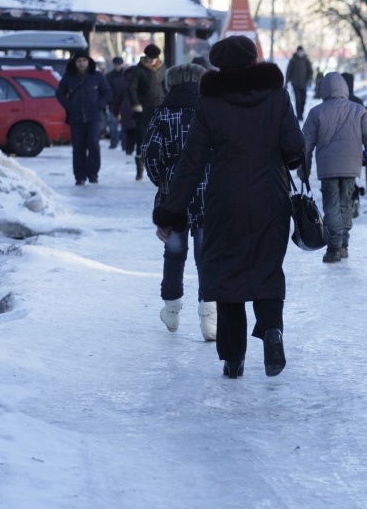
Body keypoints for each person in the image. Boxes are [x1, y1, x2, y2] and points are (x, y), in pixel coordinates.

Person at [152, 35, 305, 380]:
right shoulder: (277, 96)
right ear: (253, 59)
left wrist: (171, 212)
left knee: (228, 277)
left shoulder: (210, 103)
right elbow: (294, 147)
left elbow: (191, 163)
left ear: (218, 64)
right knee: (267, 269)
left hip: (225, 201)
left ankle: (233, 359)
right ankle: (272, 333)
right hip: (271, 199)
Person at [141, 63, 216, 341]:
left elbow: (150, 152)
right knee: (206, 255)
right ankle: (209, 317)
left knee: (174, 252)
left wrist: (163, 180)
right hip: (209, 192)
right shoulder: (212, 111)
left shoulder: (163, 113)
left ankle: (171, 310)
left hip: (174, 194)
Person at [300, 72, 367, 263]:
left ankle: (334, 246)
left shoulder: (316, 112)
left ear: (324, 90)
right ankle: (343, 244)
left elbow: (305, 147)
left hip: (328, 168)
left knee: (331, 205)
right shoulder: (358, 110)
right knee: (346, 203)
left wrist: (304, 171)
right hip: (352, 166)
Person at [55, 49, 112, 186]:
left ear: (88, 61)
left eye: (84, 61)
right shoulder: (68, 77)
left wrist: (100, 104)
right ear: (75, 63)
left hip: (94, 117)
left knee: (93, 144)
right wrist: (68, 105)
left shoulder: (97, 76)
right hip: (76, 118)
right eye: (79, 61)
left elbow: (107, 92)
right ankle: (79, 176)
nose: (81, 63)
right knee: (78, 147)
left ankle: (93, 174)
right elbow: (59, 93)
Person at [129, 43, 165, 181]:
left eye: (155, 58)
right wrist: (136, 104)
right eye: (151, 58)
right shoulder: (139, 69)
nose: (153, 61)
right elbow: (132, 88)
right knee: (143, 139)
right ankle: (140, 170)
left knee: (161, 139)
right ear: (146, 57)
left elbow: (166, 85)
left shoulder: (162, 67)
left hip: (160, 107)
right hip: (143, 110)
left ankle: (160, 167)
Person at [284, 45, 313, 120]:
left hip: (304, 84)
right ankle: (299, 115)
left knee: (303, 100)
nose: (300, 53)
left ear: (303, 52)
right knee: (298, 100)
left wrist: (309, 80)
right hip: (295, 84)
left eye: (301, 52)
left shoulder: (306, 60)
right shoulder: (293, 60)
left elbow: (310, 71)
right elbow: (289, 71)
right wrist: (286, 82)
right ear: (297, 52)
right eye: (299, 51)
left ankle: (301, 113)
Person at [104, 56, 126, 149]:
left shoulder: (126, 75)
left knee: (124, 125)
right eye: (116, 65)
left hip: (124, 104)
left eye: (119, 64)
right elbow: (107, 90)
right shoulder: (109, 76)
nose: (117, 66)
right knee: (113, 124)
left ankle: (125, 144)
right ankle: (114, 143)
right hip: (113, 103)